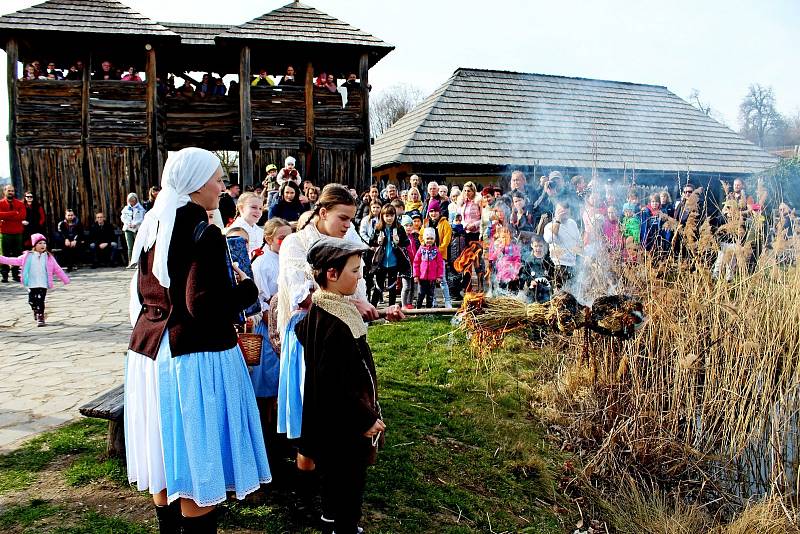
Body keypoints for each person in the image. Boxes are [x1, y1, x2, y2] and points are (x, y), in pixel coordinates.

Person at [125, 147, 271, 533]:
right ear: (195, 184)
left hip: (150, 349)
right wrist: (246, 288)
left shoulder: (155, 225)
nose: (223, 187)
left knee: (166, 457)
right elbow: (202, 304)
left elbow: (145, 293)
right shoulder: (202, 232)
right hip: (191, 358)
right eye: (218, 179)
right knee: (194, 464)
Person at [295, 236, 385, 534]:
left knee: (334, 482)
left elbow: (302, 330)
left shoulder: (325, 310)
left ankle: (332, 521)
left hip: (332, 422)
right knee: (348, 482)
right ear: (331, 275)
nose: (360, 277)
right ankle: (344, 527)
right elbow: (336, 383)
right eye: (355, 271)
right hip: (344, 425)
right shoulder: (336, 324)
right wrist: (366, 418)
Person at [0, 233, 69, 326]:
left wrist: (65, 279)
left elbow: (57, 269)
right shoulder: (27, 256)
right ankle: (35, 310)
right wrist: (1, 258)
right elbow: (14, 260)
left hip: (43, 283)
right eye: (40, 243)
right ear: (34, 245)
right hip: (32, 283)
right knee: (31, 301)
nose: (42, 245)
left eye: (44, 243)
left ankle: (41, 316)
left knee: (40, 300)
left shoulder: (49, 257)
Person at [368, 205, 410, 308]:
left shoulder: (399, 228)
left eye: (392, 215)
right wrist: (377, 241)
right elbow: (371, 242)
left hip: (394, 262)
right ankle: (373, 309)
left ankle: (391, 311)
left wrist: (398, 241)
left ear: (395, 216)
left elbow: (406, 243)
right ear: (382, 216)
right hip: (381, 263)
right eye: (387, 215)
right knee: (378, 286)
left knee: (392, 287)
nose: (389, 218)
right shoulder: (378, 228)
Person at [543, 201, 581, 290]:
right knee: (560, 294)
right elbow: (550, 239)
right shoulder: (549, 226)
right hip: (558, 265)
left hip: (572, 265)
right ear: (555, 212)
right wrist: (558, 220)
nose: (563, 213)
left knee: (573, 293)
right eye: (560, 211)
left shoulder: (572, 223)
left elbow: (579, 241)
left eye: (566, 211)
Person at [425, 200, 453, 308]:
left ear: (439, 211)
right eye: (431, 211)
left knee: (442, 280)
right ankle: (433, 301)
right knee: (431, 280)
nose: (433, 213)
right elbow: (422, 236)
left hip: (440, 255)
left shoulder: (444, 223)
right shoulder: (426, 223)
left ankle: (447, 301)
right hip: (428, 256)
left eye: (435, 211)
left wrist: (438, 251)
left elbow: (446, 239)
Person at [0, 184, 26, 282]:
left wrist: (6, 217)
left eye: (12, 191)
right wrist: (14, 213)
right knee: (4, 254)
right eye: (9, 191)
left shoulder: (20, 204)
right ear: (4, 191)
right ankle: (4, 275)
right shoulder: (1, 203)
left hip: (17, 232)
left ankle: (15, 274)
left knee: (17, 254)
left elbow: (22, 216)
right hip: (5, 232)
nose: (11, 192)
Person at [414, 227, 445, 308]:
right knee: (421, 294)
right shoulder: (421, 250)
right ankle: (418, 309)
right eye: (427, 238)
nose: (429, 240)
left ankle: (429, 311)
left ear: (434, 239)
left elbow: (440, 264)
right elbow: (416, 262)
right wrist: (416, 275)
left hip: (432, 278)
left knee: (430, 295)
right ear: (424, 239)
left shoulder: (436, 251)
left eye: (431, 238)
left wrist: (439, 276)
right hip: (422, 277)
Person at [121, 193, 146, 267]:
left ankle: (138, 262)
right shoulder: (126, 208)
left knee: (137, 245)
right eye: (130, 201)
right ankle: (130, 262)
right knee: (130, 246)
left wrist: (135, 223)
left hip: (136, 228)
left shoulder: (140, 209)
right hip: (128, 229)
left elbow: (142, 218)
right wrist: (128, 223)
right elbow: (123, 217)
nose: (132, 203)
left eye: (133, 201)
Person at [400, 214, 418, 309]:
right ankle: (403, 304)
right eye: (406, 225)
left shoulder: (414, 237)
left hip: (414, 266)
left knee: (412, 287)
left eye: (410, 225)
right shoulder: (402, 238)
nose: (409, 227)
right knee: (406, 287)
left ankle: (409, 303)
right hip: (405, 266)